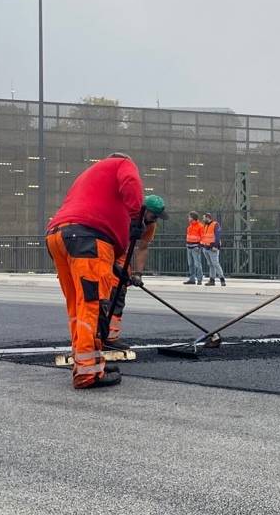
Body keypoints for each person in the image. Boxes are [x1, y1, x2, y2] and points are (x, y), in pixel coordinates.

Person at [45, 153, 162, 390]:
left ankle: (86, 362)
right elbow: (130, 181)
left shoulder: (87, 176)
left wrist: (119, 268)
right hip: (89, 239)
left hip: (59, 236)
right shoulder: (121, 163)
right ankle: (88, 373)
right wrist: (135, 217)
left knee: (78, 305)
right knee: (93, 305)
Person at [103, 194, 168, 350]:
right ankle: (97, 336)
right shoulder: (122, 216)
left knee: (118, 295)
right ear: (144, 210)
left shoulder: (150, 225)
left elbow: (142, 248)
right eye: (154, 215)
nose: (155, 220)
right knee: (103, 297)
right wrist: (112, 264)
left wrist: (137, 274)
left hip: (121, 259)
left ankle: (110, 337)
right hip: (105, 254)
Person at [201, 212, 226, 286]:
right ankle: (212, 280)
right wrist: (202, 245)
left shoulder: (215, 224)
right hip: (206, 247)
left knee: (215, 264)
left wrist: (215, 246)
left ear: (208, 217)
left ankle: (222, 279)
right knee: (211, 264)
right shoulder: (205, 225)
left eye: (204, 218)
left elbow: (217, 236)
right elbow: (204, 236)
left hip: (212, 248)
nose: (203, 219)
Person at [184, 211, 205, 285]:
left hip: (195, 247)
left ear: (192, 218)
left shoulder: (200, 226)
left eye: (189, 217)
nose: (188, 218)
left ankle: (199, 279)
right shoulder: (190, 226)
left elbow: (203, 237)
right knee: (190, 264)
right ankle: (192, 279)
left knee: (197, 264)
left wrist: (199, 246)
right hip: (189, 247)